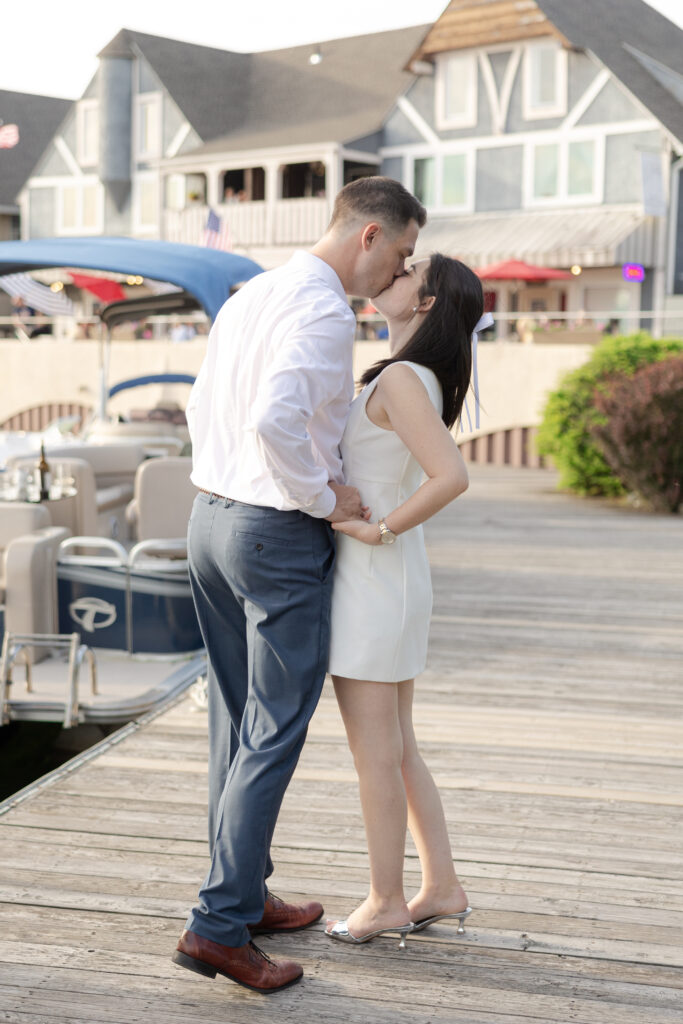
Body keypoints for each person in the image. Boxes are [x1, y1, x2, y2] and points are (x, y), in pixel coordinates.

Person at [173, 177, 426, 993]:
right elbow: (278, 421)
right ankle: (217, 924)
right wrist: (325, 496)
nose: (397, 272)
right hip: (272, 532)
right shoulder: (321, 311)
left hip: (208, 518)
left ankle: (241, 895)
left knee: (234, 721)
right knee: (272, 729)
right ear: (368, 236)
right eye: (400, 253)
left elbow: (205, 404)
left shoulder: (254, 293)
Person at [324, 254, 490, 949]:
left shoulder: (400, 377)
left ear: (424, 305)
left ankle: (387, 898)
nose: (392, 269)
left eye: (406, 271)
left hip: (373, 578)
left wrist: (377, 527)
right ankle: (439, 886)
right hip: (388, 580)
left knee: (376, 754)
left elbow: (450, 474)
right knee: (395, 749)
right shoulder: (407, 375)